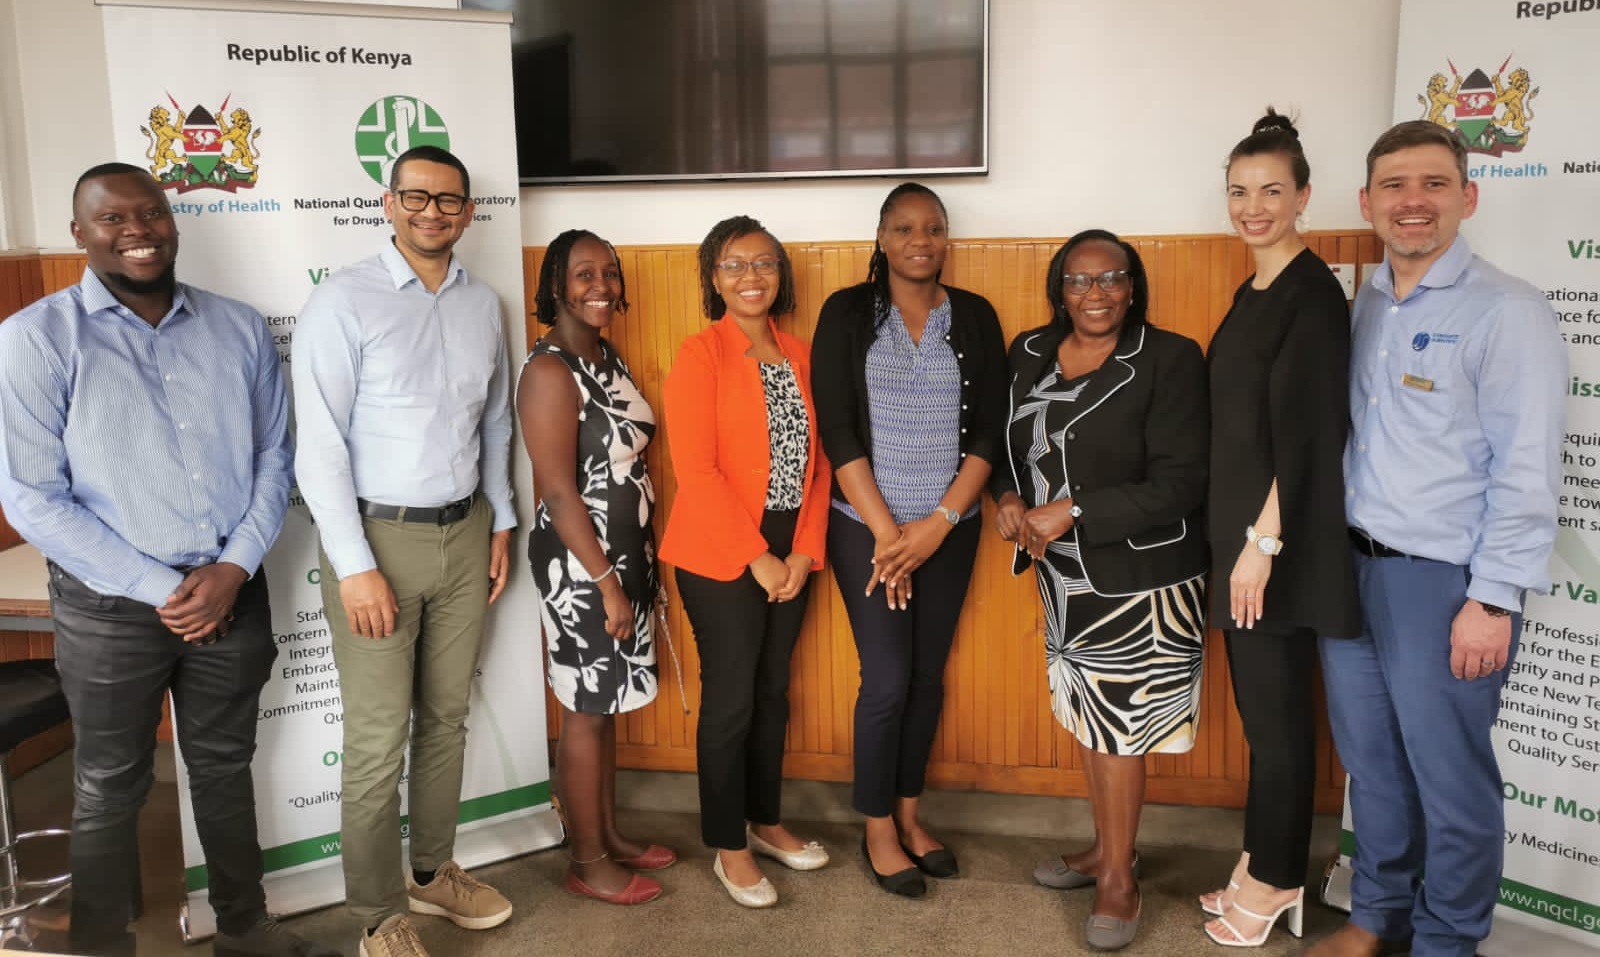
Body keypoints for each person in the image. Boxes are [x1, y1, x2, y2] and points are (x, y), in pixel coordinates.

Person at [0, 163, 334, 957]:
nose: (138, 232)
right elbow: (33, 498)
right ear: (79, 233)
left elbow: (274, 457)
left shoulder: (238, 326)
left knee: (223, 766)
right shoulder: (36, 338)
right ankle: (100, 945)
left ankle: (243, 929)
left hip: (231, 589)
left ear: (172, 221)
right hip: (111, 607)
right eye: (112, 219)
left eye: (150, 213)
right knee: (109, 782)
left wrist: (233, 568)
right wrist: (166, 588)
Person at [1309, 122, 1564, 957]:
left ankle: (1447, 940)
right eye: (1394, 185)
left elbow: (1527, 468)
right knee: (1373, 764)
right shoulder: (1367, 303)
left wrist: (1492, 599)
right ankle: (1377, 915)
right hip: (1351, 569)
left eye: (1433, 184)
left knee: (1450, 778)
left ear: (1468, 197)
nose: (1412, 201)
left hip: (1444, 584)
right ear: (1366, 202)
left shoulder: (1508, 310)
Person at [292, 145, 516, 957]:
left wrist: (501, 520)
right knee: (377, 740)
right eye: (416, 197)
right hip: (377, 542)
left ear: (467, 212)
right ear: (388, 204)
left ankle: (431, 872)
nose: (432, 212)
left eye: (449, 200)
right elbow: (319, 446)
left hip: (466, 533)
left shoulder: (482, 303)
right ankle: (378, 915)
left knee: (447, 719)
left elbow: (495, 421)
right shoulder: (341, 302)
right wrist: (355, 565)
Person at [999, 229, 1209, 951]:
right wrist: (1007, 498)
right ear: (1059, 289)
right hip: (1062, 576)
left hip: (1141, 579)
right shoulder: (1030, 350)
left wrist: (1076, 510)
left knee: (1121, 728)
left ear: (1133, 286)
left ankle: (1120, 876)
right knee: (1091, 718)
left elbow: (1183, 482)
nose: (1096, 293)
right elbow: (1007, 446)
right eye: (1079, 280)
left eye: (1112, 278)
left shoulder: (1170, 358)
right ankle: (1105, 848)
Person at [811, 183, 1007, 898]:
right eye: (904, 228)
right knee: (888, 679)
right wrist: (892, 538)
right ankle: (876, 828)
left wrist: (939, 525)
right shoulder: (846, 313)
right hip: (866, 529)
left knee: (927, 678)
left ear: (946, 238)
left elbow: (989, 431)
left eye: (933, 228)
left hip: (950, 529)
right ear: (882, 238)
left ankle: (909, 815)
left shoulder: (975, 316)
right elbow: (838, 430)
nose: (920, 241)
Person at [1198, 110, 1360, 948]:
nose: (1253, 207)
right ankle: (1260, 859)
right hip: (1241, 539)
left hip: (1275, 547)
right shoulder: (1253, 288)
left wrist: (1260, 546)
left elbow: (1307, 436)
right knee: (1264, 718)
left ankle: (1277, 877)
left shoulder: (1313, 294)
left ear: (1304, 195)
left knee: (1279, 721)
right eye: (1239, 191)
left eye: (1271, 191)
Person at [660, 215, 832, 908]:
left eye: (763, 263)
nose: (751, 276)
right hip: (719, 551)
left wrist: (805, 551)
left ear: (780, 274)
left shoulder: (802, 353)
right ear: (714, 277)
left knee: (771, 693)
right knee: (731, 699)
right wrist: (756, 556)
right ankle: (729, 845)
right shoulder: (699, 354)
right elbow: (697, 472)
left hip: (792, 547)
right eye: (734, 264)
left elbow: (820, 464)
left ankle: (765, 820)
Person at [519, 229, 672, 906]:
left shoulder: (605, 356)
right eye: (584, 274)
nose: (601, 286)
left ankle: (607, 833)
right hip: (581, 567)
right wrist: (607, 583)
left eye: (609, 272)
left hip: (623, 556)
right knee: (585, 707)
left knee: (606, 703)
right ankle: (586, 860)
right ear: (556, 285)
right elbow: (558, 490)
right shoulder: (549, 371)